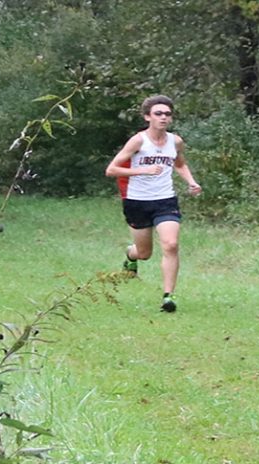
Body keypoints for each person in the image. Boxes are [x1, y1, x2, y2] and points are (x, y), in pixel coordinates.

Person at [105, 95, 201, 313]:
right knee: (144, 253)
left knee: (171, 244)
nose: (164, 118)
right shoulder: (139, 141)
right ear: (148, 116)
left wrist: (192, 182)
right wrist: (142, 170)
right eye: (158, 114)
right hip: (137, 201)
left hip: (165, 199)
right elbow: (111, 170)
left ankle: (168, 296)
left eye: (167, 114)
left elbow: (180, 164)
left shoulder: (175, 141)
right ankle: (131, 255)